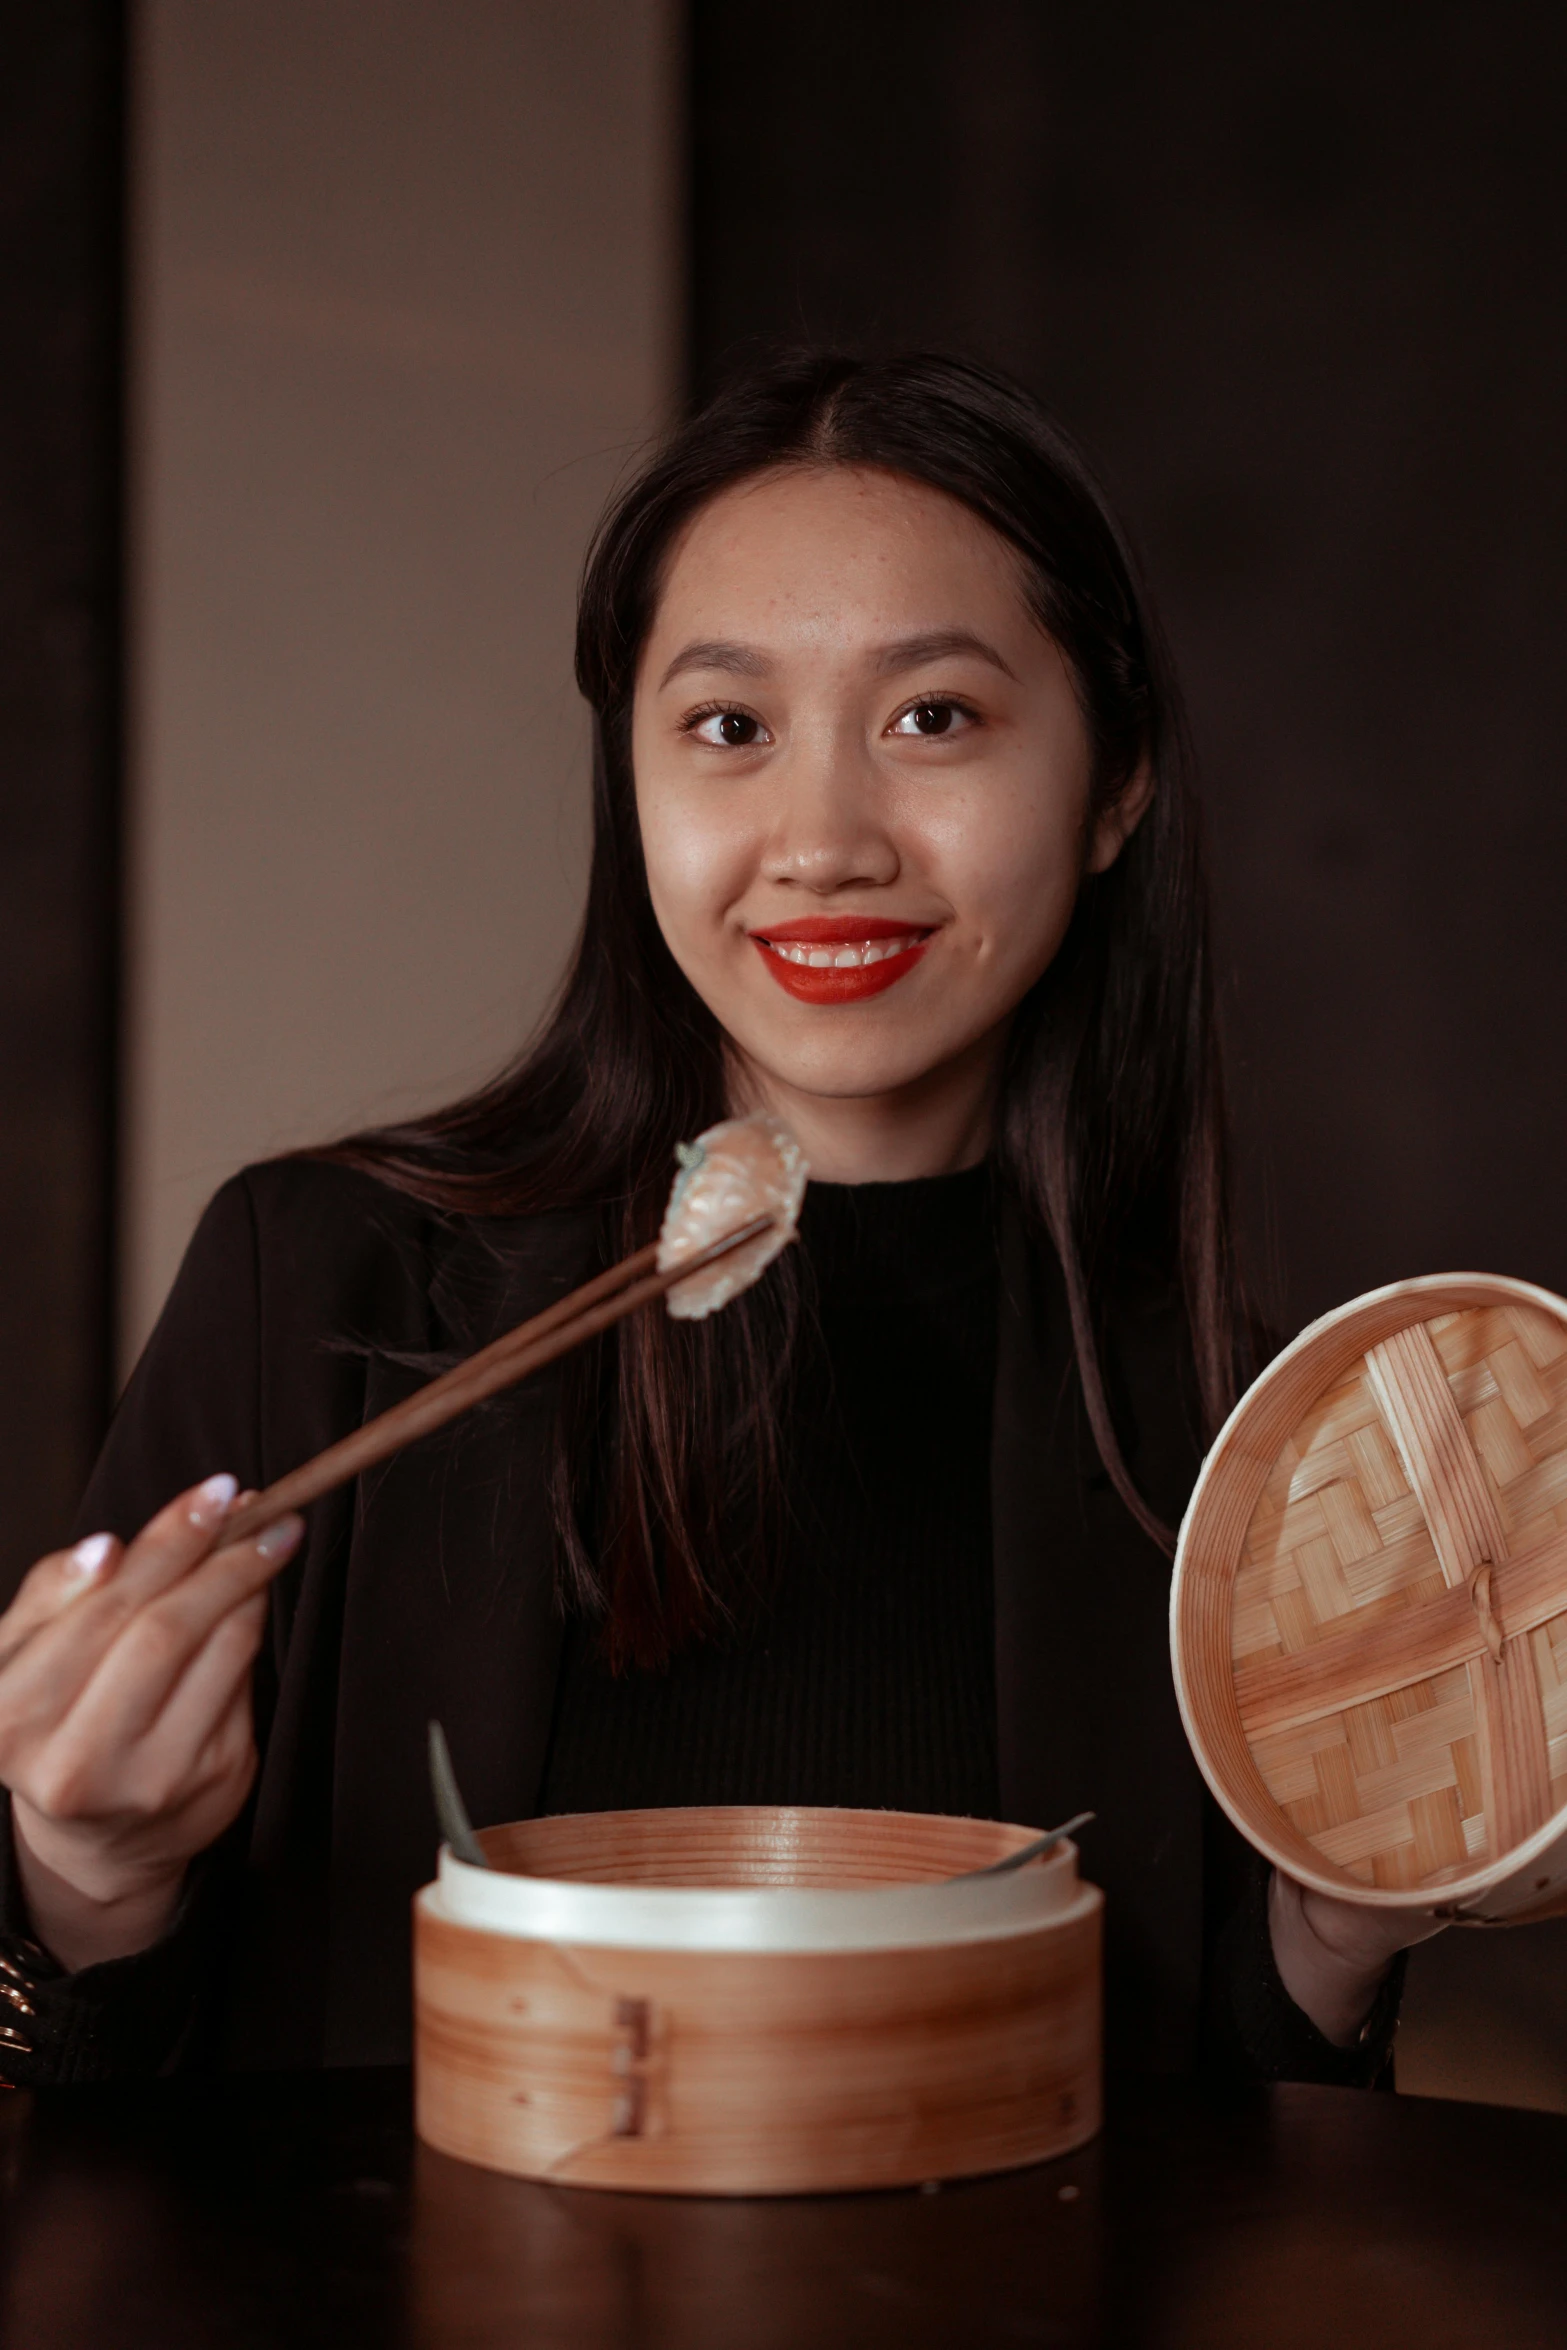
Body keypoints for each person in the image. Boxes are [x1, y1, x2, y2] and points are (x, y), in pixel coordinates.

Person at [0, 351, 1436, 2085]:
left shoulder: (1246, 1430)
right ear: (632, 775)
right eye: (728, 727)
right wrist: (89, 1871)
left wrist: (1343, 1928)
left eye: (933, 717)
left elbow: (1230, 2177)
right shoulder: (320, 1283)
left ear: (1114, 780)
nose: (820, 839)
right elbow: (89, 2119)